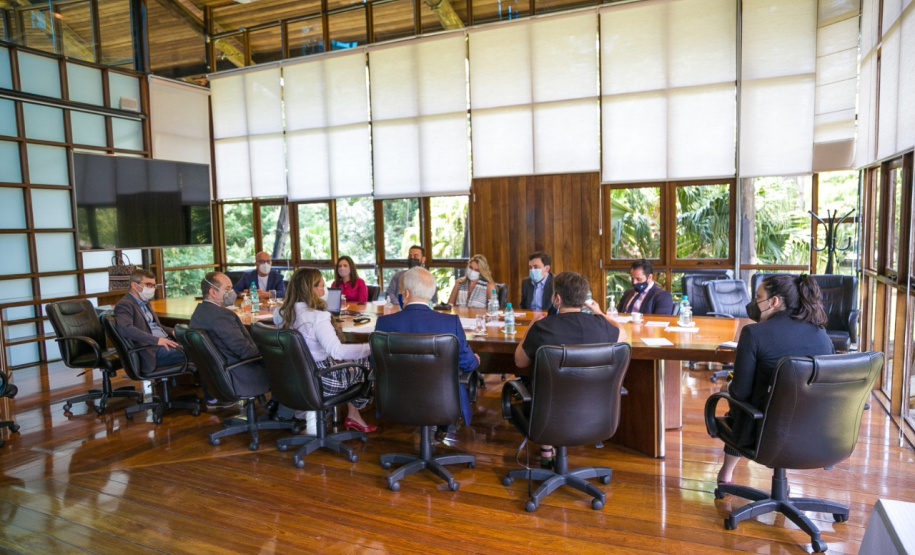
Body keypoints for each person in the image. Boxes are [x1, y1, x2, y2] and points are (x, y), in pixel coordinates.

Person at [715, 274, 834, 486]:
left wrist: (728, 386)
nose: (753, 302)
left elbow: (740, 393)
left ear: (774, 301)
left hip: (766, 434)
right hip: (817, 432)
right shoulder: (821, 334)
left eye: (758, 296)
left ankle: (726, 474)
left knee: (739, 408)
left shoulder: (753, 333)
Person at [514, 271, 625, 468]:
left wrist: (531, 326)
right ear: (584, 300)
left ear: (557, 299)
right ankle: (549, 448)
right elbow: (622, 334)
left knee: (545, 387)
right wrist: (601, 314)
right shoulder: (602, 327)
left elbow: (520, 362)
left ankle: (547, 447)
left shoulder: (543, 328)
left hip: (547, 414)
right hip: (597, 412)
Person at [375, 267, 480, 440]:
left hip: (396, 399)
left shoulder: (384, 323)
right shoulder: (450, 322)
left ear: (406, 293)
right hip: (443, 401)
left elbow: (376, 363)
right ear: (430, 294)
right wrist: (475, 360)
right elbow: (466, 362)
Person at [190, 272, 304, 423]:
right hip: (240, 373)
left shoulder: (199, 313)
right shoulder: (220, 317)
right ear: (213, 292)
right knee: (290, 363)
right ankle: (284, 415)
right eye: (228, 288)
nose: (232, 292)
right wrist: (273, 352)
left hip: (221, 374)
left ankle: (275, 404)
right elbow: (244, 351)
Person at [273, 268, 376, 433]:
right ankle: (354, 415)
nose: (324, 290)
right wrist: (370, 348)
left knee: (352, 359)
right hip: (320, 380)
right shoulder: (317, 317)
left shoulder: (280, 313)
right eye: (321, 286)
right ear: (311, 289)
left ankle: (347, 416)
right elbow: (337, 352)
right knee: (361, 361)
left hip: (293, 379)